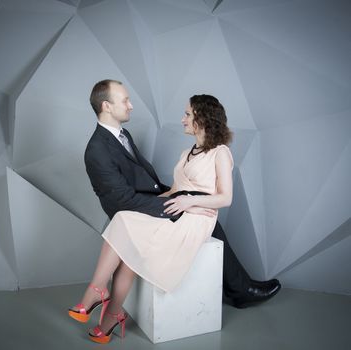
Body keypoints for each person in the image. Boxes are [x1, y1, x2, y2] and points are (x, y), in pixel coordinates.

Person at [68, 80, 280, 342]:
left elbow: (224, 198)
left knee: (128, 229)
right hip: (180, 205)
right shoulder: (184, 152)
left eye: (187, 114)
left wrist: (187, 202)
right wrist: (171, 200)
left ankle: (99, 296)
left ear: (202, 119)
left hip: (196, 212)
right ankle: (111, 311)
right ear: (106, 106)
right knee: (127, 231)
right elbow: (175, 190)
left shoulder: (220, 153)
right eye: (125, 100)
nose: (182, 119)